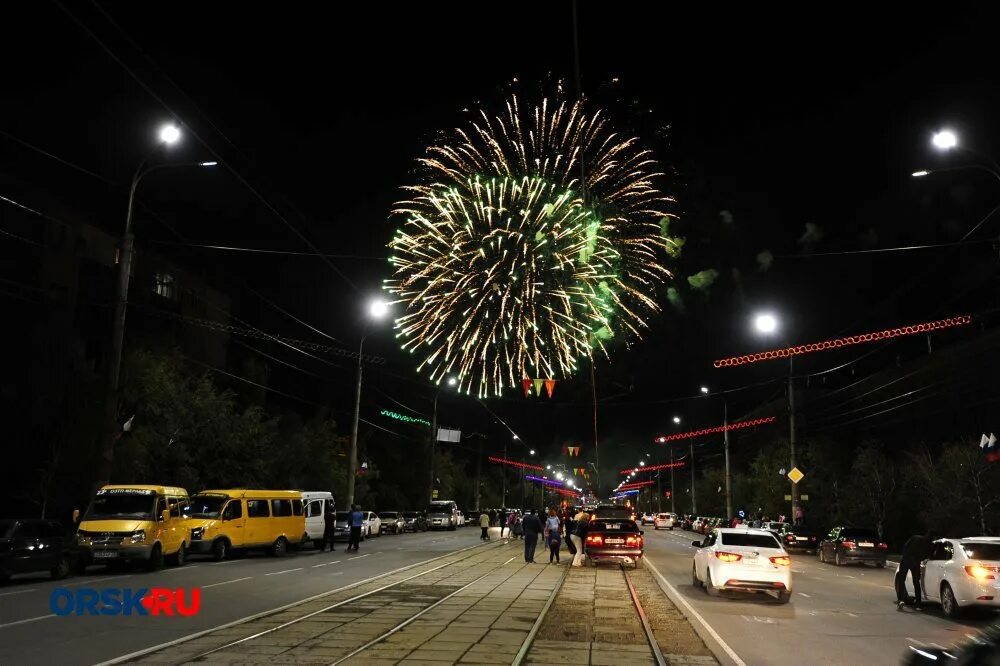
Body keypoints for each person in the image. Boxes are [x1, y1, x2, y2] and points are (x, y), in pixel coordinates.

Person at [896, 530, 936, 609]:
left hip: (906, 560)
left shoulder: (916, 537)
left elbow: (905, 546)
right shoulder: (930, 545)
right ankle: (918, 604)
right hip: (915, 563)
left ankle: (900, 600)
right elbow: (929, 556)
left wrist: (905, 555)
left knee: (901, 580)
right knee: (916, 583)